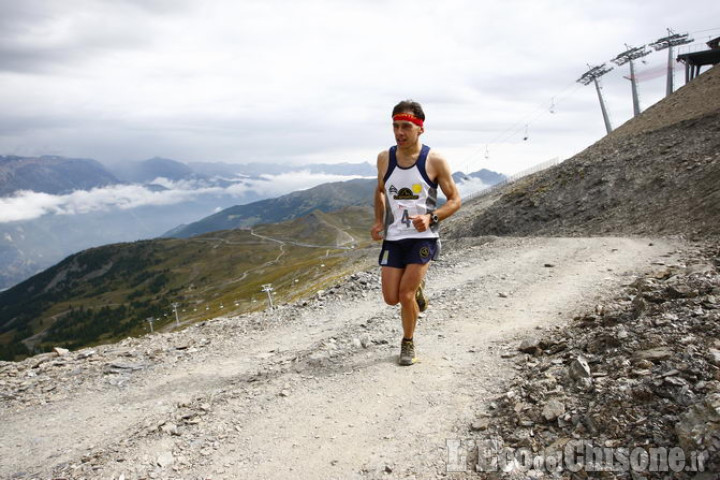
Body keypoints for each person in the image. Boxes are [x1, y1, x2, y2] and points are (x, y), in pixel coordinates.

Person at [370, 100, 461, 366]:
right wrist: (378, 221)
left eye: (406, 127)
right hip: (395, 236)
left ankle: (407, 342)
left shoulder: (434, 160)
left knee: (404, 296)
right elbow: (379, 190)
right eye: (395, 126)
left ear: (420, 129)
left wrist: (431, 217)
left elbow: (455, 200)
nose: (399, 132)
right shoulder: (384, 158)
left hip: (424, 237)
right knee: (390, 298)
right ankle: (417, 289)